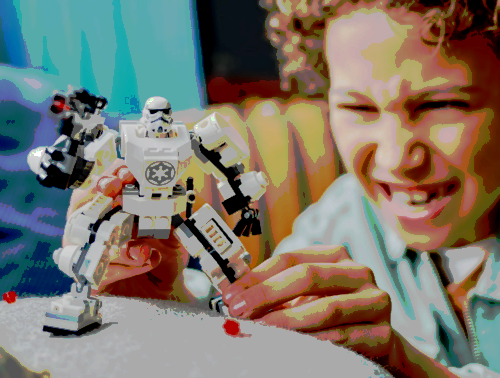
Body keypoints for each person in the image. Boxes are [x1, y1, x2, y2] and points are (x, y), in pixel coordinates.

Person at [66, 0, 500, 377]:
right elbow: (252, 335)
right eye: (357, 107)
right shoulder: (344, 221)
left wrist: (410, 368)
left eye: (443, 105)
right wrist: (165, 305)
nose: (393, 159)